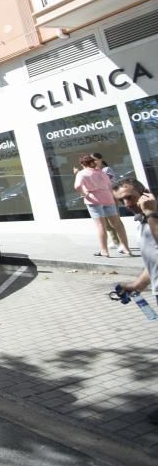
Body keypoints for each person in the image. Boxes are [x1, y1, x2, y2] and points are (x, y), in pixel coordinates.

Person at [111, 178, 158, 425]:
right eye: (122, 200)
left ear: (144, 193)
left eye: (131, 197)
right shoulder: (143, 220)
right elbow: (154, 260)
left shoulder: (152, 215)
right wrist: (136, 285)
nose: (127, 203)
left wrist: (151, 213)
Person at [74, 154, 131, 257]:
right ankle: (126, 249)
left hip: (94, 200)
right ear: (92, 162)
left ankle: (104, 251)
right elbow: (110, 185)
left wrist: (84, 194)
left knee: (101, 226)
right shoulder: (101, 172)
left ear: (82, 163)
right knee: (117, 224)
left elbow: (77, 186)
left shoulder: (82, 173)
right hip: (108, 198)